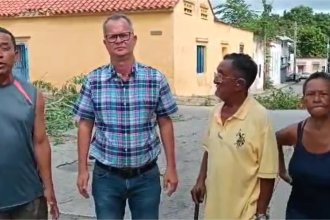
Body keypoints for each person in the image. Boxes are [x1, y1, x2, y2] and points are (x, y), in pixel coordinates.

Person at [73, 13, 179, 220]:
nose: (119, 41)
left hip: (146, 176)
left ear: (134, 39)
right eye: (113, 37)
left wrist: (172, 168)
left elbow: (165, 123)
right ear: (105, 43)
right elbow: (85, 125)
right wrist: (82, 169)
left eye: (124, 35)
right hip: (106, 177)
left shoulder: (155, 79)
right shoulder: (94, 81)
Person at [191, 53, 279, 220]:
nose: (216, 80)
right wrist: (200, 180)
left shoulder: (259, 117)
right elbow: (209, 150)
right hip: (214, 209)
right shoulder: (215, 112)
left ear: (239, 84)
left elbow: (267, 174)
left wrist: (261, 214)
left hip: (244, 213)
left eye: (221, 75)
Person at [0, 27, 59, 220]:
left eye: (4, 47)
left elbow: (40, 142)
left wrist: (48, 188)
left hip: (28, 199)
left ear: (16, 55)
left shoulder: (31, 94)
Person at [276, 72, 330, 220]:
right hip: (298, 213)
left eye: (324, 94)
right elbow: (274, 141)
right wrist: (281, 171)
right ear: (304, 100)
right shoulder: (295, 132)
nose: (317, 99)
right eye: (311, 94)